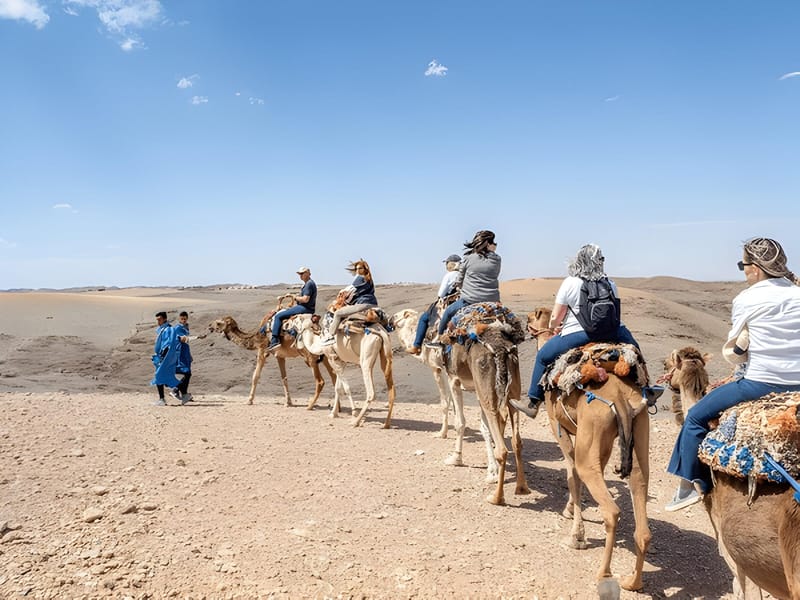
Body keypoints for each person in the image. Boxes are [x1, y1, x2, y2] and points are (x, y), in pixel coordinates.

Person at [665, 237, 800, 511]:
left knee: (695, 418)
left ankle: (691, 484)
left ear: (757, 269)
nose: (743, 271)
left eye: (743, 265)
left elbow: (736, 350)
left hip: (760, 383)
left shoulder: (747, 299)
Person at [510, 244, 639, 419]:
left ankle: (533, 402)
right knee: (635, 351)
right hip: (612, 332)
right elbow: (616, 313)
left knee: (543, 357)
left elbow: (556, 316)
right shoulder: (610, 283)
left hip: (579, 334)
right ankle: (647, 390)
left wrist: (556, 326)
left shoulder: (570, 282)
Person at [432, 230, 501, 340]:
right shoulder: (497, 259)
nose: (496, 245)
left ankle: (440, 338)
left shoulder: (468, 259)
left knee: (448, 313)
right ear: (488, 244)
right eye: (494, 243)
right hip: (493, 301)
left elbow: (459, 280)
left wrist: (458, 285)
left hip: (470, 301)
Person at [408, 254, 461, 355]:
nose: (446, 265)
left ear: (451, 264)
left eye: (447, 263)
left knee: (424, 317)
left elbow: (441, 294)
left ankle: (417, 345)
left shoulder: (449, 275)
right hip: (464, 302)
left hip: (450, 303)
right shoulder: (465, 274)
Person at [322, 259, 378, 345]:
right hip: (373, 304)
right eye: (356, 269)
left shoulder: (360, 278)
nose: (358, 271)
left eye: (360, 268)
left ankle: (330, 336)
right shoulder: (369, 279)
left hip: (363, 304)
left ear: (365, 269)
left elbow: (350, 290)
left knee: (337, 314)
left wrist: (342, 292)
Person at [262, 267, 318, 352]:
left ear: (307, 273)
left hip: (304, 308)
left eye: (302, 274)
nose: (300, 276)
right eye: (300, 274)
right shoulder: (309, 283)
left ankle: (274, 340)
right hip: (307, 308)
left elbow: (305, 299)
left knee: (278, 316)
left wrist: (295, 297)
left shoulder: (309, 284)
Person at [171, 311, 204, 404]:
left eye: (185, 318)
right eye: (182, 319)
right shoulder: (178, 328)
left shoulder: (186, 327)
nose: (183, 320)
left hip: (185, 351)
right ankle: (177, 390)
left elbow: (187, 341)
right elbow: (183, 339)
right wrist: (197, 337)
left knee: (187, 373)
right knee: (187, 373)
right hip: (180, 352)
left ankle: (180, 392)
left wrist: (189, 355)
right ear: (179, 319)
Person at [151, 311, 181, 406]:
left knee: (159, 376)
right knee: (162, 377)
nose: (158, 322)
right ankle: (173, 393)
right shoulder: (162, 329)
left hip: (165, 357)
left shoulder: (168, 330)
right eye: (157, 320)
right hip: (161, 356)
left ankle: (163, 399)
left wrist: (163, 357)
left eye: (159, 319)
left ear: (164, 319)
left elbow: (168, 344)